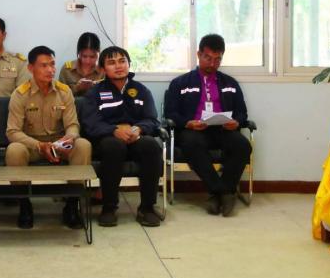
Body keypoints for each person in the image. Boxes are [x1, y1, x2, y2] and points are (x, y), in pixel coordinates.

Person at [164, 33, 252, 217]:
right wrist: (187, 123)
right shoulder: (180, 83)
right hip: (193, 131)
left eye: (217, 59)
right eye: (208, 58)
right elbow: (170, 114)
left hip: (223, 129)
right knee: (191, 143)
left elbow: (242, 113)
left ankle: (219, 193)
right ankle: (223, 192)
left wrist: (237, 122)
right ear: (199, 55)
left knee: (243, 145)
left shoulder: (230, 83)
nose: (212, 64)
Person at [5, 45, 92, 229]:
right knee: (14, 150)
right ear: (31, 68)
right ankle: (24, 205)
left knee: (83, 145)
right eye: (43, 65)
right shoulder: (20, 94)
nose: (50, 70)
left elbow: (73, 125)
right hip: (32, 146)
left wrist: (69, 138)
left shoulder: (64, 91)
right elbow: (13, 132)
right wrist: (39, 145)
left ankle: (72, 205)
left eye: (52, 64)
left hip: (59, 145)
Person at [82, 46, 164, 228]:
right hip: (107, 138)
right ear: (102, 69)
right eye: (111, 63)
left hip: (136, 138)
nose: (118, 66)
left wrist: (138, 129)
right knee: (113, 147)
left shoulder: (142, 90)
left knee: (151, 146)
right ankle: (109, 208)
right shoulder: (94, 93)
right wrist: (114, 130)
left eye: (122, 61)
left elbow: (152, 120)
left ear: (129, 64)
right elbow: (91, 123)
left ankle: (147, 208)